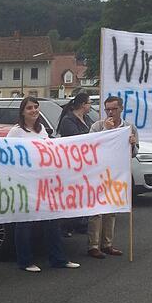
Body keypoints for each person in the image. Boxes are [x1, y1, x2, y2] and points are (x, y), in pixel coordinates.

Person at [6, 97, 81, 273]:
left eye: (35, 107)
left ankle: (58, 259)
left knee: (52, 221)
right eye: (29, 108)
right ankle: (25, 261)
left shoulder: (42, 131)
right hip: (24, 184)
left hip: (44, 184)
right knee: (24, 224)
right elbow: (7, 155)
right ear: (22, 112)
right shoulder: (16, 132)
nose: (33, 110)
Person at [87, 95, 138, 257]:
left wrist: (133, 143)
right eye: (107, 109)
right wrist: (106, 131)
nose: (110, 112)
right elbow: (90, 147)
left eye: (114, 109)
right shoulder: (97, 126)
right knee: (96, 211)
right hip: (98, 172)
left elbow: (134, 153)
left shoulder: (129, 127)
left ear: (121, 109)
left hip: (116, 173)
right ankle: (93, 246)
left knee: (112, 209)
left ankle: (107, 244)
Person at [57, 93, 92, 237]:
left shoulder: (87, 118)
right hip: (73, 163)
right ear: (83, 104)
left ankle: (81, 223)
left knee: (84, 194)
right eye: (89, 103)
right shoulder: (68, 120)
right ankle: (67, 225)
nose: (90, 106)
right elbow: (76, 140)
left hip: (86, 162)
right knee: (72, 195)